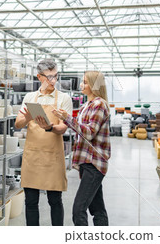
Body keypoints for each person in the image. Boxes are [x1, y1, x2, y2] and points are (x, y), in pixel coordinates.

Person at [47, 71, 111, 226]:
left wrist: (67, 119)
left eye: (86, 82)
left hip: (94, 163)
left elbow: (89, 133)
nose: (82, 85)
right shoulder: (85, 106)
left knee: (78, 210)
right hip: (86, 162)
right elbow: (80, 129)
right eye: (83, 81)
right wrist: (62, 119)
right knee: (97, 209)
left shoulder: (99, 105)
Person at [15, 59, 73, 226]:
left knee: (55, 201)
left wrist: (50, 127)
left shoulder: (64, 98)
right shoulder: (30, 97)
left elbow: (63, 128)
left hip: (53, 158)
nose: (53, 81)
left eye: (55, 76)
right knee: (31, 202)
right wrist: (26, 117)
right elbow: (18, 124)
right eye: (48, 77)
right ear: (39, 77)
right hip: (32, 156)